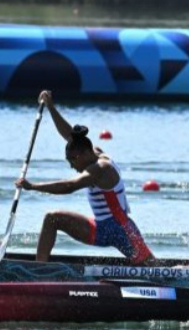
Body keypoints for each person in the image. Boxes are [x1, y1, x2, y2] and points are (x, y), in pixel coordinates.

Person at [15, 90, 155, 265]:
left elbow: (69, 186)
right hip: (101, 227)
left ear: (83, 155)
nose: (72, 166)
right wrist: (50, 106)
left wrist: (33, 186)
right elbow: (69, 135)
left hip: (121, 230)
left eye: (72, 161)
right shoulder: (92, 152)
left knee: (155, 270)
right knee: (52, 218)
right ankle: (39, 268)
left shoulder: (101, 168)